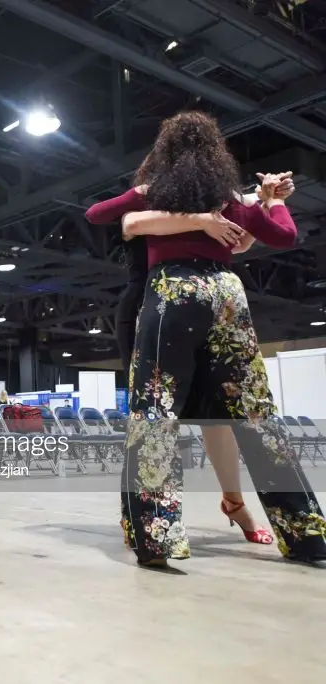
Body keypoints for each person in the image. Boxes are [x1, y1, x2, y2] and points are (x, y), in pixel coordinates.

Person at [114, 111, 326, 567]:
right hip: (227, 293)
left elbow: (113, 218)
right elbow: (278, 236)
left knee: (155, 411)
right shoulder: (226, 199)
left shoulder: (153, 195)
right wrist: (268, 202)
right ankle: (306, 535)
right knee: (255, 414)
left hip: (170, 293)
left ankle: (156, 536)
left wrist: (255, 202)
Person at [86, 159, 295, 547]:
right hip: (147, 306)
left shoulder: (215, 200)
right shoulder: (148, 202)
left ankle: (234, 502)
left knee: (217, 416)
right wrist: (203, 218)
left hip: (202, 306)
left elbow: (243, 237)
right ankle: (139, 515)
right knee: (151, 414)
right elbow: (121, 220)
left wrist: (265, 201)